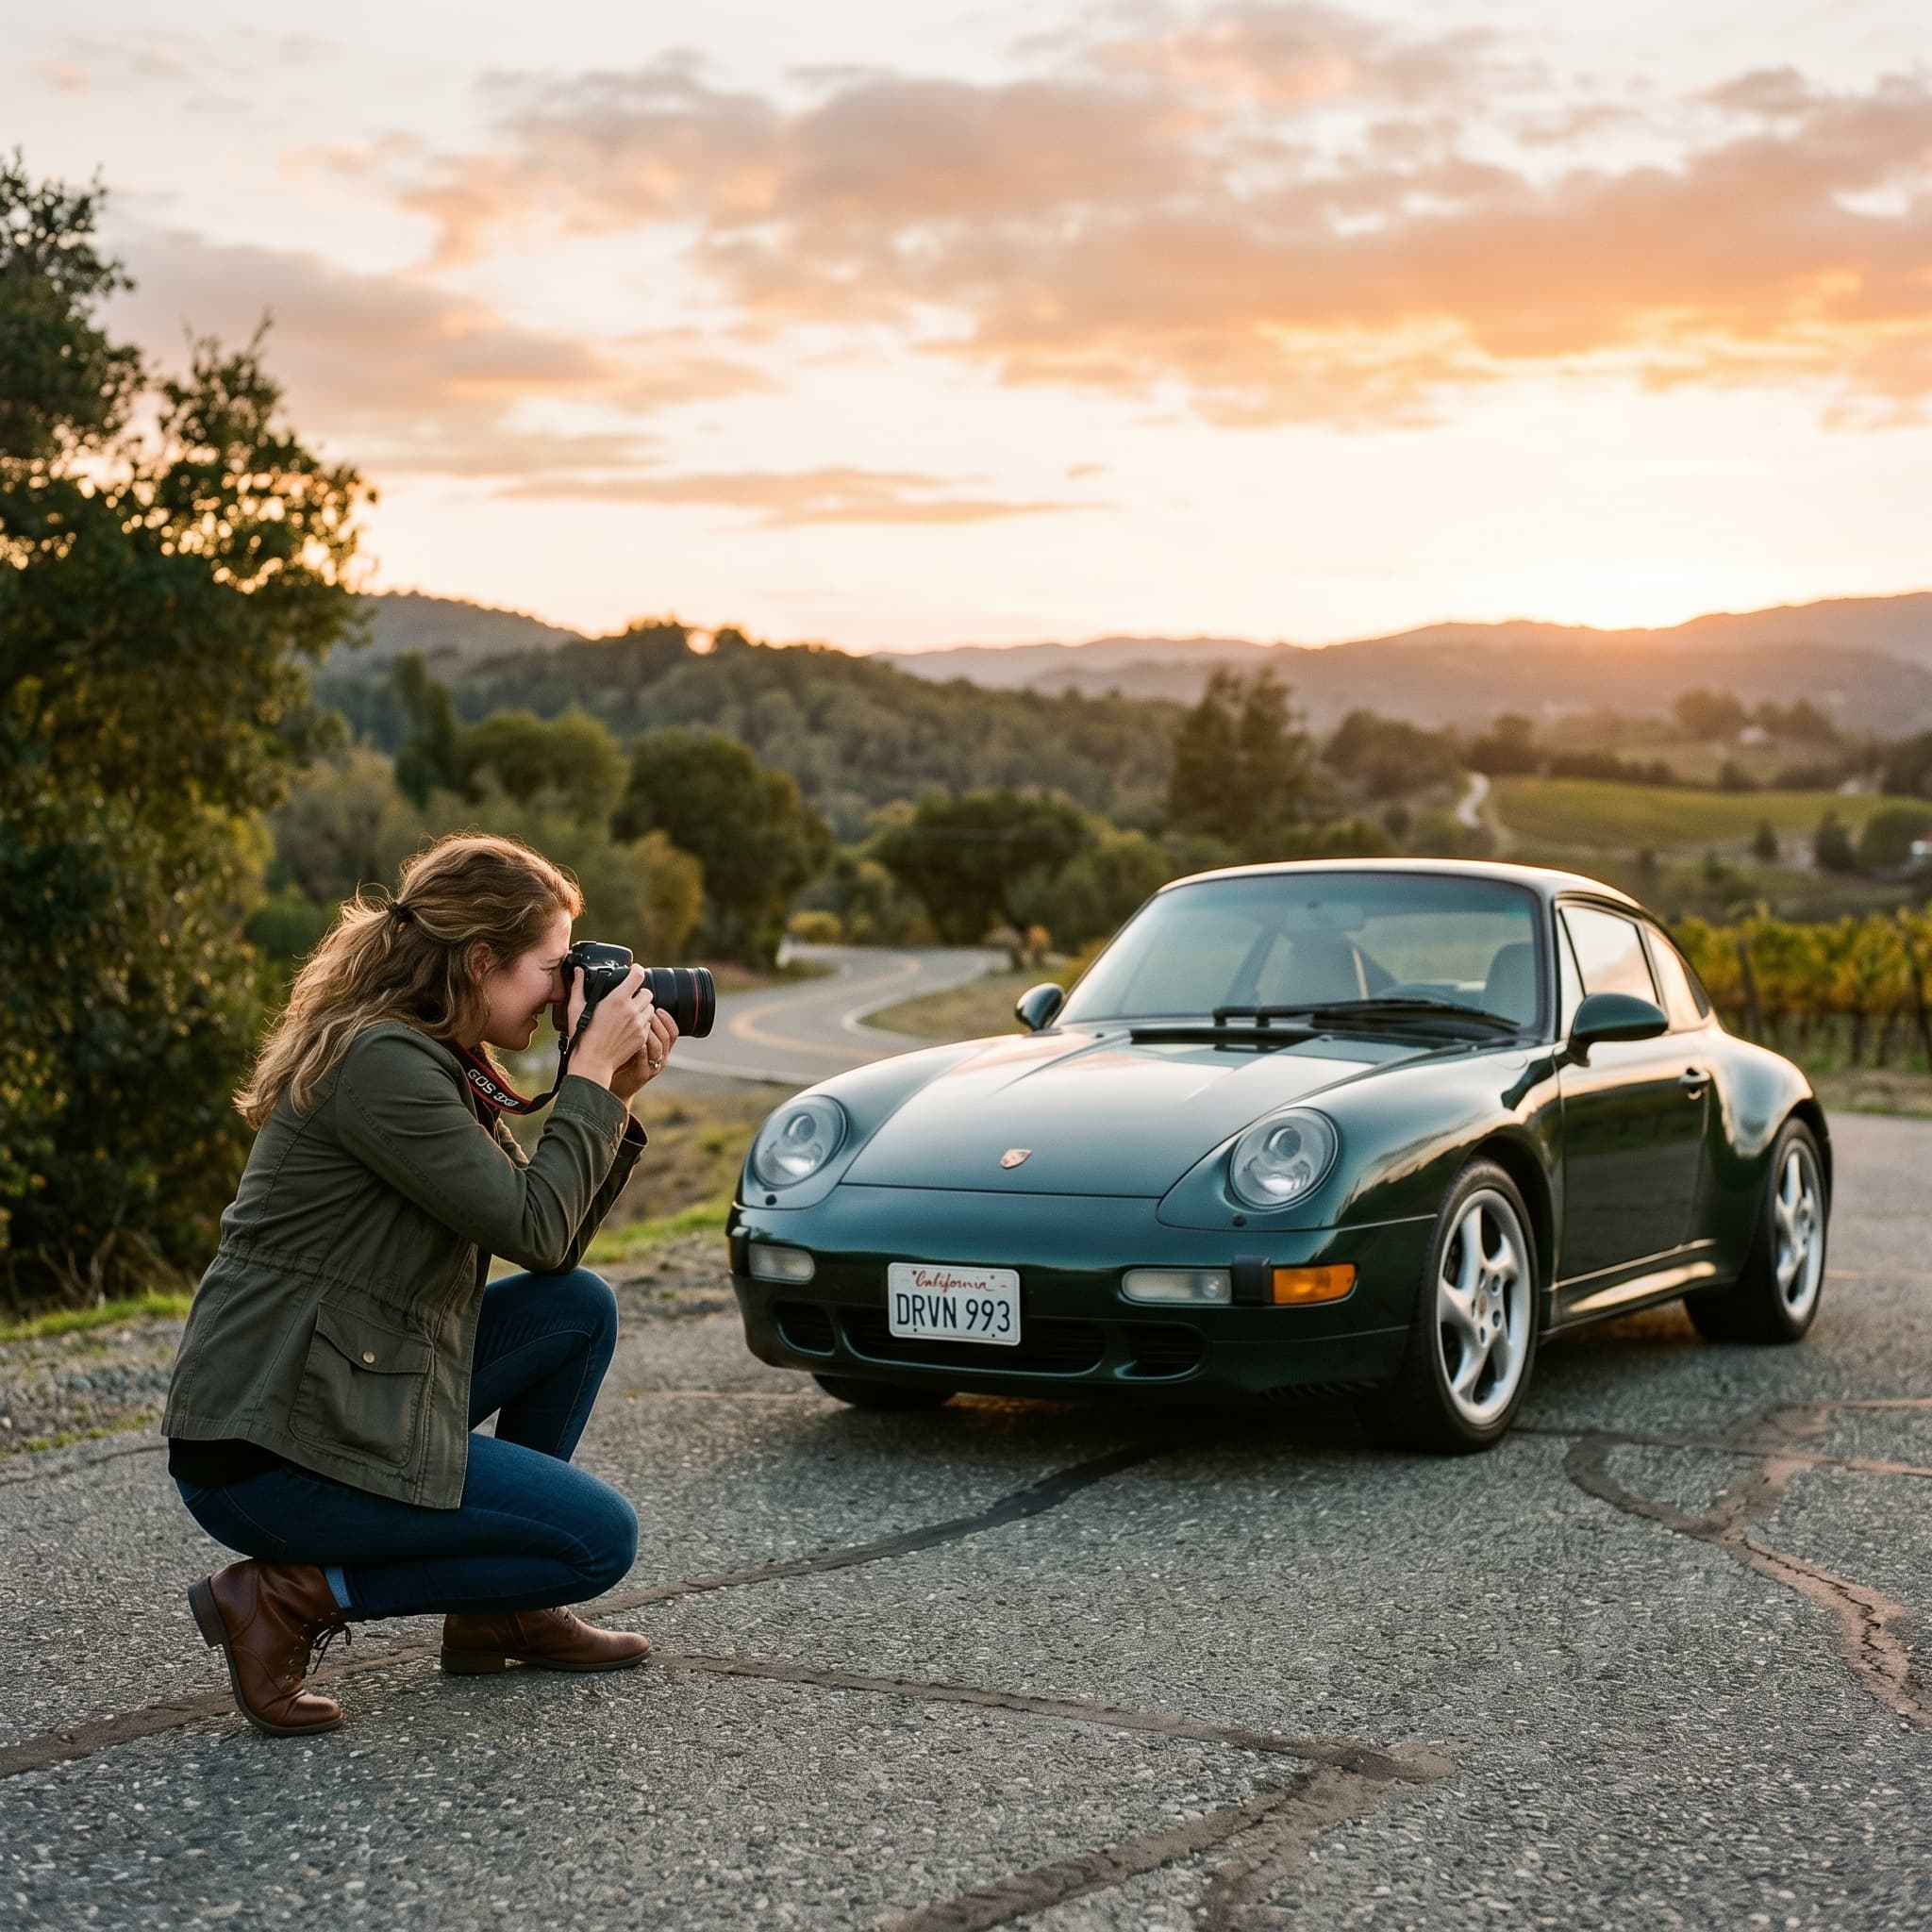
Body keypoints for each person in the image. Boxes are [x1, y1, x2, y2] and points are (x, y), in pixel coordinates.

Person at [161, 832, 678, 1736]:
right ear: (481, 961)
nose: (568, 996)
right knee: (598, 1540)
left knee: (576, 1309)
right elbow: (534, 1222)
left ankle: (500, 1610)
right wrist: (587, 1077)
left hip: (340, 1391)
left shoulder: (432, 1057)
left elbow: (547, 1247)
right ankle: (291, 1596)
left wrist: (614, 1094)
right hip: (266, 1447)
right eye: (554, 970)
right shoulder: (382, 1067)